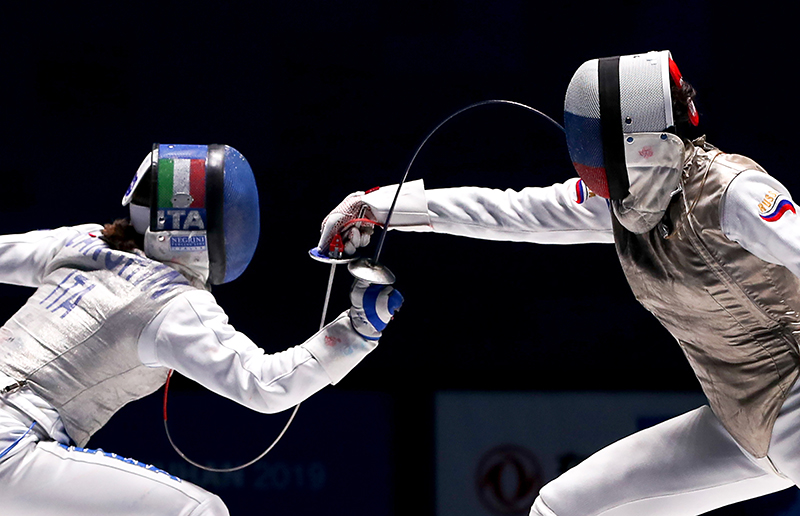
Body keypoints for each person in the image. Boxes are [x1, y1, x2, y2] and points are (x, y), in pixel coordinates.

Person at [315, 50, 800, 515]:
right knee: (562, 507)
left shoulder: (731, 193)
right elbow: (510, 211)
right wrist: (379, 207)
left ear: (638, 141)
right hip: (739, 425)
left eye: (596, 146)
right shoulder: (625, 204)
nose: (588, 163)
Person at [0, 143, 403, 516]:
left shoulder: (83, 240)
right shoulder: (172, 302)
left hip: (19, 446)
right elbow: (265, 385)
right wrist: (357, 331)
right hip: (13, 443)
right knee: (198, 512)